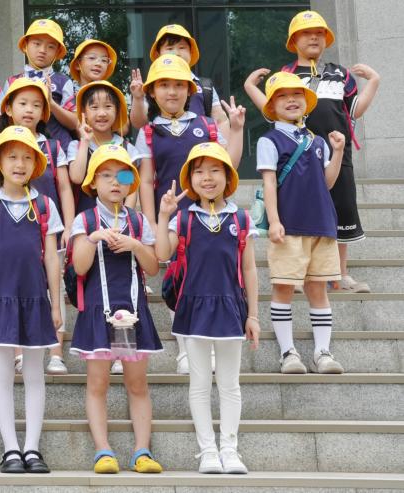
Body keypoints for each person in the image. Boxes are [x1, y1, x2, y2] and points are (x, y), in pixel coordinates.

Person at [249, 10, 380, 292]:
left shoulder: (341, 74)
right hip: (300, 157)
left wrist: (374, 82)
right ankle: (298, 274)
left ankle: (340, 274)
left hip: (338, 154)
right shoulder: (286, 74)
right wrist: (250, 87)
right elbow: (272, 111)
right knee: (299, 210)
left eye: (319, 33)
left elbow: (355, 110)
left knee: (342, 211)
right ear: (293, 41)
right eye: (306, 33)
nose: (313, 38)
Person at [154, 142, 261, 475]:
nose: (207, 177)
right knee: (199, 384)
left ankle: (230, 449)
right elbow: (161, 255)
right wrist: (164, 215)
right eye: (199, 171)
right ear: (191, 180)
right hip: (193, 308)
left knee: (229, 384)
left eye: (215, 170)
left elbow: (249, 269)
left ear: (228, 177)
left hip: (231, 308)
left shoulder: (241, 218)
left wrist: (253, 316)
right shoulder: (183, 219)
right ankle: (208, 451)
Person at [136, 56, 245, 374]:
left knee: (206, 280)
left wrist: (236, 130)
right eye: (164, 85)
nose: (172, 92)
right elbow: (145, 179)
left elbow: (229, 166)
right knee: (179, 280)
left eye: (178, 85)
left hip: (208, 216)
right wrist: (152, 220)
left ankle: (209, 345)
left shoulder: (207, 125)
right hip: (172, 218)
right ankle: (185, 349)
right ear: (152, 92)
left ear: (190, 90)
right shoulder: (148, 132)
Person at [0, 126, 63, 475]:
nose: (19, 164)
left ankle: (32, 448)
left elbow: (51, 257)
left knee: (35, 372)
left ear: (36, 164)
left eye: (26, 157)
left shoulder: (44, 205)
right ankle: (10, 448)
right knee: (4, 371)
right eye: (12, 157)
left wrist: (56, 304)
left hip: (35, 298)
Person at [68, 145, 163, 475]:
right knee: (98, 384)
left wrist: (135, 245)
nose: (113, 182)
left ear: (130, 183)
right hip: (99, 312)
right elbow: (80, 266)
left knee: (137, 384)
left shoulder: (138, 221)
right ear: (93, 183)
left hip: (133, 312)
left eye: (121, 176)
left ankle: (142, 451)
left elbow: (153, 267)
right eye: (105, 175)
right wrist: (94, 237)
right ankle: (103, 450)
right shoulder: (85, 220)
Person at [249, 71, 346, 374]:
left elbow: (327, 183)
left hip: (322, 224)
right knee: (284, 288)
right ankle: (287, 352)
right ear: (271, 106)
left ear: (306, 102)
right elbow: (269, 183)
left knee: (318, 289)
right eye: (282, 96)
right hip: (289, 226)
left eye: (297, 95)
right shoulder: (269, 140)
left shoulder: (318, 141)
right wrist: (274, 221)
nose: (291, 100)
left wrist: (338, 152)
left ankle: (322, 352)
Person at [0, 77, 75, 375]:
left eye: (36, 105)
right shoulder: (1, 145)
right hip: (11, 228)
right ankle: (19, 350)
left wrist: (69, 225)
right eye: (22, 103)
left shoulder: (53, 146)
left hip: (47, 227)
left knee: (54, 284)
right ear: (8, 108)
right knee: (16, 286)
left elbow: (64, 187)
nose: (29, 110)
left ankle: (55, 351)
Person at [0, 19, 76, 151]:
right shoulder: (12, 81)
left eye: (51, 46)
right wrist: (0, 147)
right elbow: (0, 117)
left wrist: (52, 104)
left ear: (57, 52)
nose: (42, 50)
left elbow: (74, 123)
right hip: (21, 150)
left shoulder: (64, 81)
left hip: (59, 150)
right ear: (26, 45)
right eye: (37, 44)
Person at [129, 24, 229, 130]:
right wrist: (138, 98)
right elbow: (139, 124)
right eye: (170, 48)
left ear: (191, 52)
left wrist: (229, 138)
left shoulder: (205, 86)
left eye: (182, 48)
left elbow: (220, 121)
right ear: (158, 55)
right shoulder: (151, 85)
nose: (177, 53)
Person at [68, 81, 142, 214]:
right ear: (84, 112)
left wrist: (128, 218)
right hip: (86, 221)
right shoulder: (76, 146)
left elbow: (131, 189)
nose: (102, 113)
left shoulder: (127, 149)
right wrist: (85, 141)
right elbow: (77, 178)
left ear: (117, 111)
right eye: (94, 107)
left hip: (120, 220)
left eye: (108, 106)